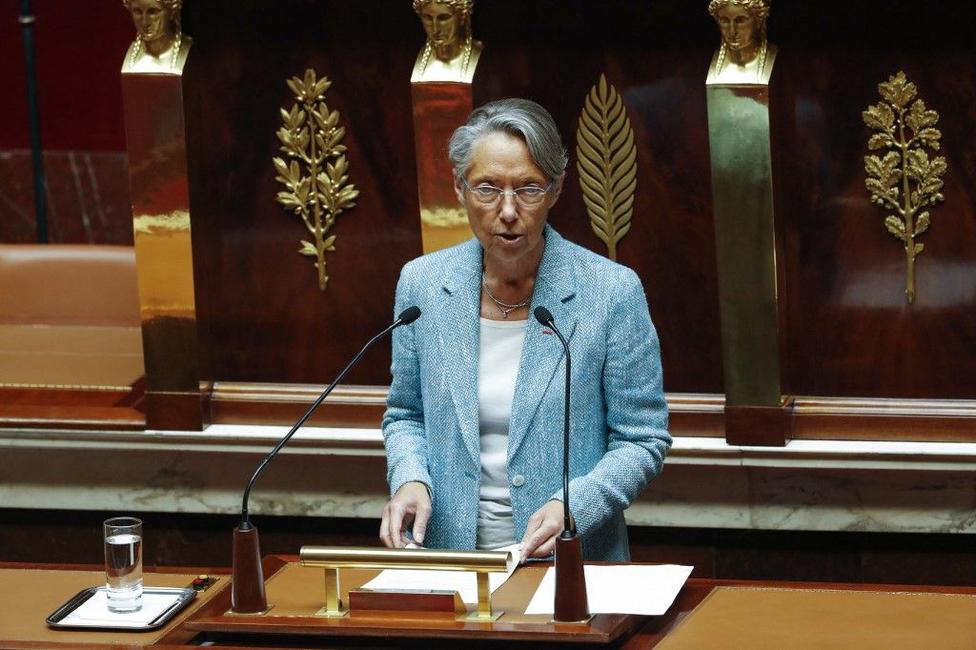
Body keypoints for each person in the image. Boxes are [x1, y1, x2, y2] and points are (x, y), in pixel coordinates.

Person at [380, 98, 670, 561]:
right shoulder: (423, 285)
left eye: (529, 189)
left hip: (571, 563)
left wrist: (573, 505)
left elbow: (642, 438)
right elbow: (405, 415)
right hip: (451, 560)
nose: (508, 210)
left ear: (556, 190)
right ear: (459, 188)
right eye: (488, 188)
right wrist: (410, 478)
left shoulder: (611, 291)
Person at [411, 0, 483, 83]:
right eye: (428, 17)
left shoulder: (481, 56)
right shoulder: (414, 58)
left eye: (443, 18)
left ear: (462, 16)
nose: (435, 29)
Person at [706, 0, 775, 84]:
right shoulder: (704, 63)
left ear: (759, 21)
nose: (732, 31)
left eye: (740, 21)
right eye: (725, 21)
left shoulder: (780, 62)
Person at [122, 0, 190, 74]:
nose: (144, 22)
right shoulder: (132, 57)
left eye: (153, 12)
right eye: (137, 12)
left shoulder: (188, 50)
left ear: (172, 11)